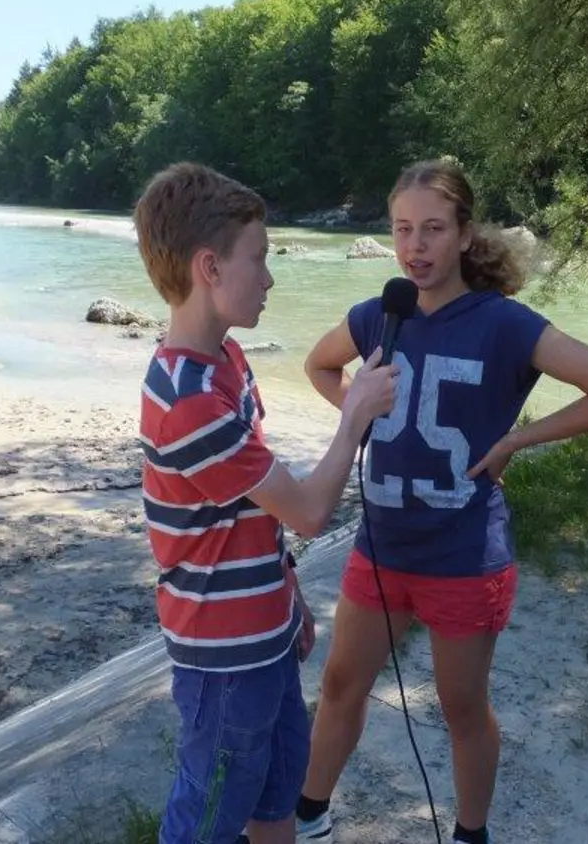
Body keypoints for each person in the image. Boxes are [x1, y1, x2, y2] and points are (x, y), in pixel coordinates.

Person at [293, 159, 588, 844]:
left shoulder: (505, 325)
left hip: (464, 558)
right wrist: (358, 414)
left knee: (460, 707)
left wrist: (519, 438)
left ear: (463, 235)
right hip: (382, 549)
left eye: (432, 229)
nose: (415, 247)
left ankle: (469, 833)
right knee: (340, 686)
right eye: (402, 230)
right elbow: (317, 364)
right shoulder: (378, 316)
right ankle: (309, 812)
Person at [133, 162, 399, 844]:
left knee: (274, 799)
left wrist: (288, 598)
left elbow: (252, 510)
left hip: (263, 636)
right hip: (223, 660)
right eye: (261, 258)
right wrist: (354, 417)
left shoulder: (226, 361)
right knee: (206, 820)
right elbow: (308, 512)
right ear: (209, 268)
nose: (272, 278)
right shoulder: (186, 401)